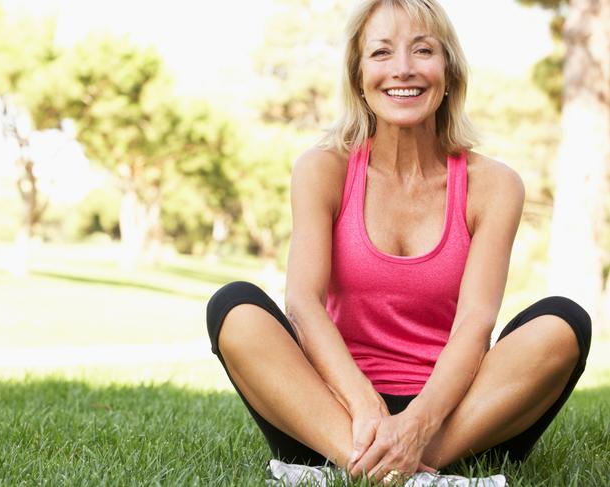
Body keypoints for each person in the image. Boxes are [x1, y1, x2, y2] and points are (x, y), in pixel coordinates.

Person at [206, 0, 592, 484]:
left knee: (564, 324)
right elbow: (303, 305)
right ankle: (395, 466)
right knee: (234, 308)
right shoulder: (322, 169)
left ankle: (376, 466)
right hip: (337, 409)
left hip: (453, 411)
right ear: (358, 77)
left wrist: (417, 423)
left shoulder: (494, 185)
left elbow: (476, 324)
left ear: (448, 71)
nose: (403, 69)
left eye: (423, 50)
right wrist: (366, 407)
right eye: (381, 53)